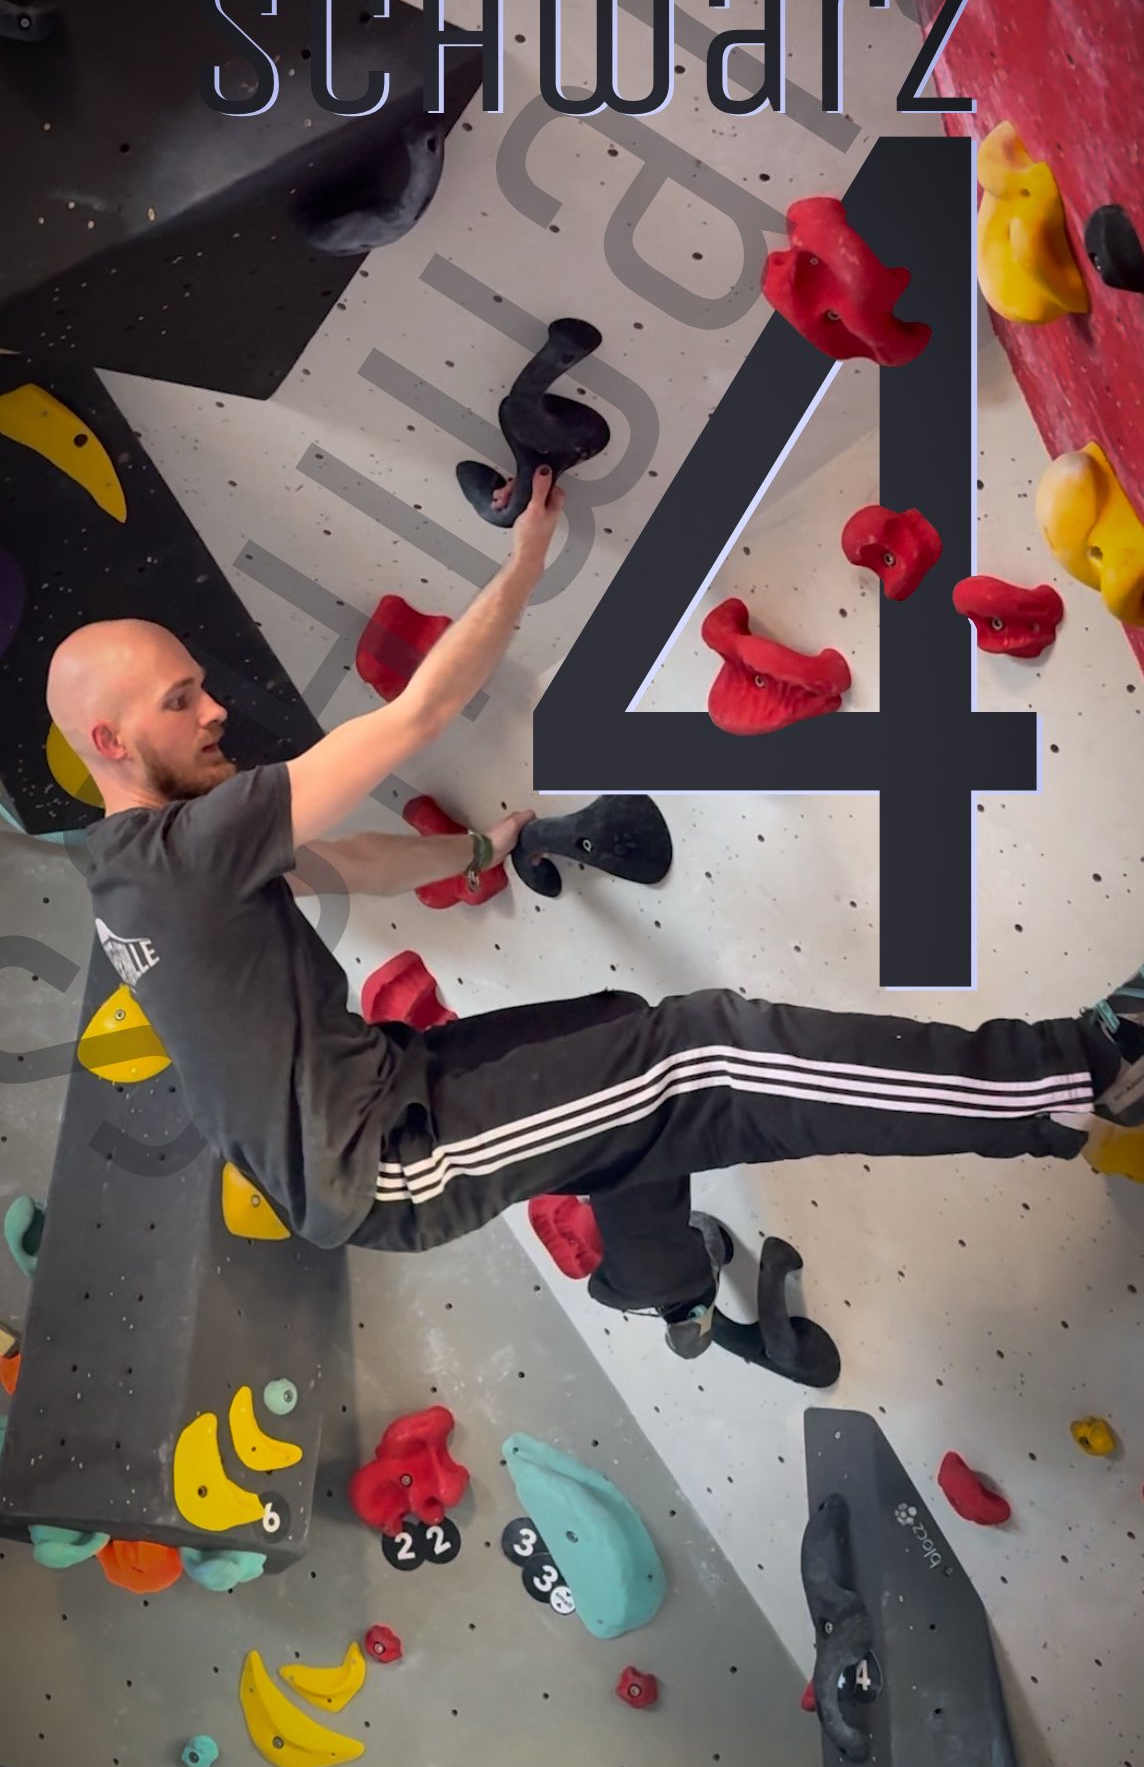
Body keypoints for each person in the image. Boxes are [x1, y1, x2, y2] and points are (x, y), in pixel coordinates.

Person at [45, 471, 1144, 1361]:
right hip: (390, 1155)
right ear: (109, 740)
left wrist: (479, 848)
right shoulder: (187, 848)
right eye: (178, 700)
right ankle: (1081, 1070)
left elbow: (353, 861)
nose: (215, 709)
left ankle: (657, 1280)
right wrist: (526, 559)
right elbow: (418, 712)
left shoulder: (133, 873)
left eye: (200, 686)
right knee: (701, 1056)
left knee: (620, 1039)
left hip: (381, 1105)